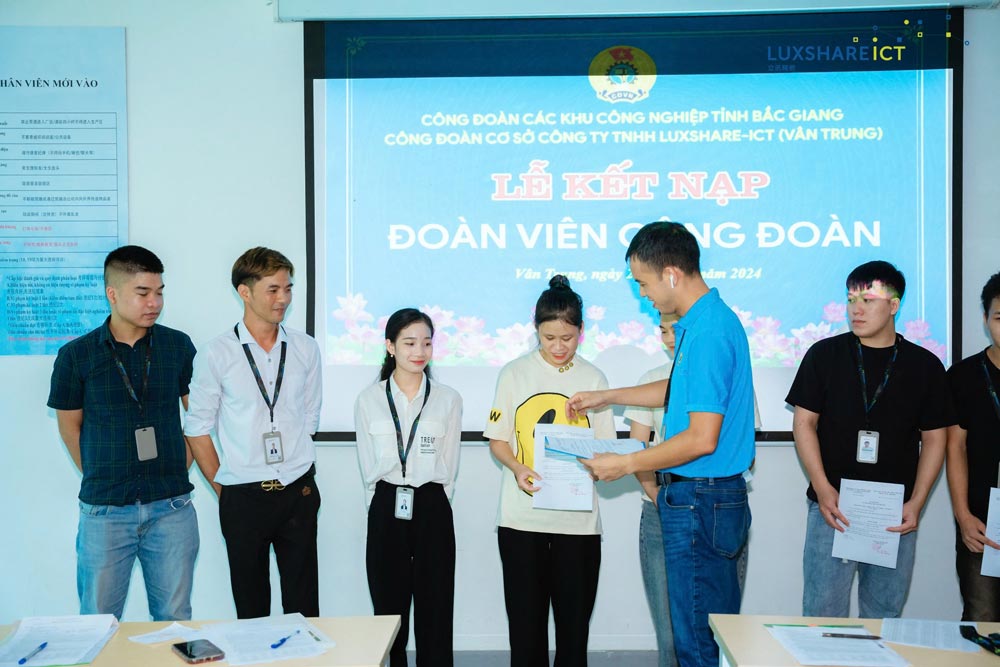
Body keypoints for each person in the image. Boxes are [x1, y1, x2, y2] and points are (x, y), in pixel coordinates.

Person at [566, 221, 755, 667]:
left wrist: (628, 463)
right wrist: (608, 397)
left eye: (644, 283)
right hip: (703, 498)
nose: (643, 294)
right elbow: (678, 392)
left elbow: (701, 438)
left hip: (699, 498)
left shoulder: (708, 332)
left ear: (671, 273)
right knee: (699, 631)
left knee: (695, 642)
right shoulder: (704, 321)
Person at [786, 260, 953, 619]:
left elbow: (936, 440)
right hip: (834, 506)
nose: (856, 310)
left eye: (868, 299)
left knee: (884, 616)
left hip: (894, 511)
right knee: (821, 612)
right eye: (850, 300)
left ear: (894, 305)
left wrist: (918, 502)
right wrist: (822, 486)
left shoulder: (925, 366)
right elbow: (803, 424)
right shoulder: (824, 355)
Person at [48, 245, 199, 620]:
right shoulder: (76, 356)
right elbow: (70, 427)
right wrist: (102, 473)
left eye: (160, 292)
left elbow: (196, 416)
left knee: (175, 618)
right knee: (98, 620)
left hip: (172, 508)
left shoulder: (177, 346)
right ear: (112, 294)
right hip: (105, 511)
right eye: (143, 293)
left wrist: (182, 468)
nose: (155, 302)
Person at [484, 275, 615, 667]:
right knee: (526, 632)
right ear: (536, 331)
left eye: (568, 338)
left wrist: (596, 467)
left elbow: (606, 448)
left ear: (582, 332)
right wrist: (518, 467)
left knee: (574, 635)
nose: (558, 347)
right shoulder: (513, 373)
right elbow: (498, 439)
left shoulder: (594, 379)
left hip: (577, 524)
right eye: (548, 338)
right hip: (522, 521)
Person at [185, 247, 322, 619]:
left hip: (298, 489)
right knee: (251, 607)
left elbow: (309, 418)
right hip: (244, 497)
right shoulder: (216, 353)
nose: (283, 299)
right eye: (273, 289)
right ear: (244, 292)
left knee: (304, 605)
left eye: (288, 289)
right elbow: (197, 428)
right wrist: (225, 489)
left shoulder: (306, 348)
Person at [354, 308, 462, 666]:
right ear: (390, 346)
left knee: (436, 604)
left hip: (432, 504)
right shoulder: (369, 399)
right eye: (410, 343)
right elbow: (368, 465)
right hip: (387, 502)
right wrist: (380, 505)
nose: (419, 351)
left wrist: (434, 502)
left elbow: (450, 463)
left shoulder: (448, 398)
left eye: (427, 343)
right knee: (389, 606)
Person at [947, 271, 1000, 621]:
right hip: (982, 520)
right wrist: (963, 515)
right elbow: (955, 449)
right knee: (983, 617)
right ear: (985, 319)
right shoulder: (963, 376)